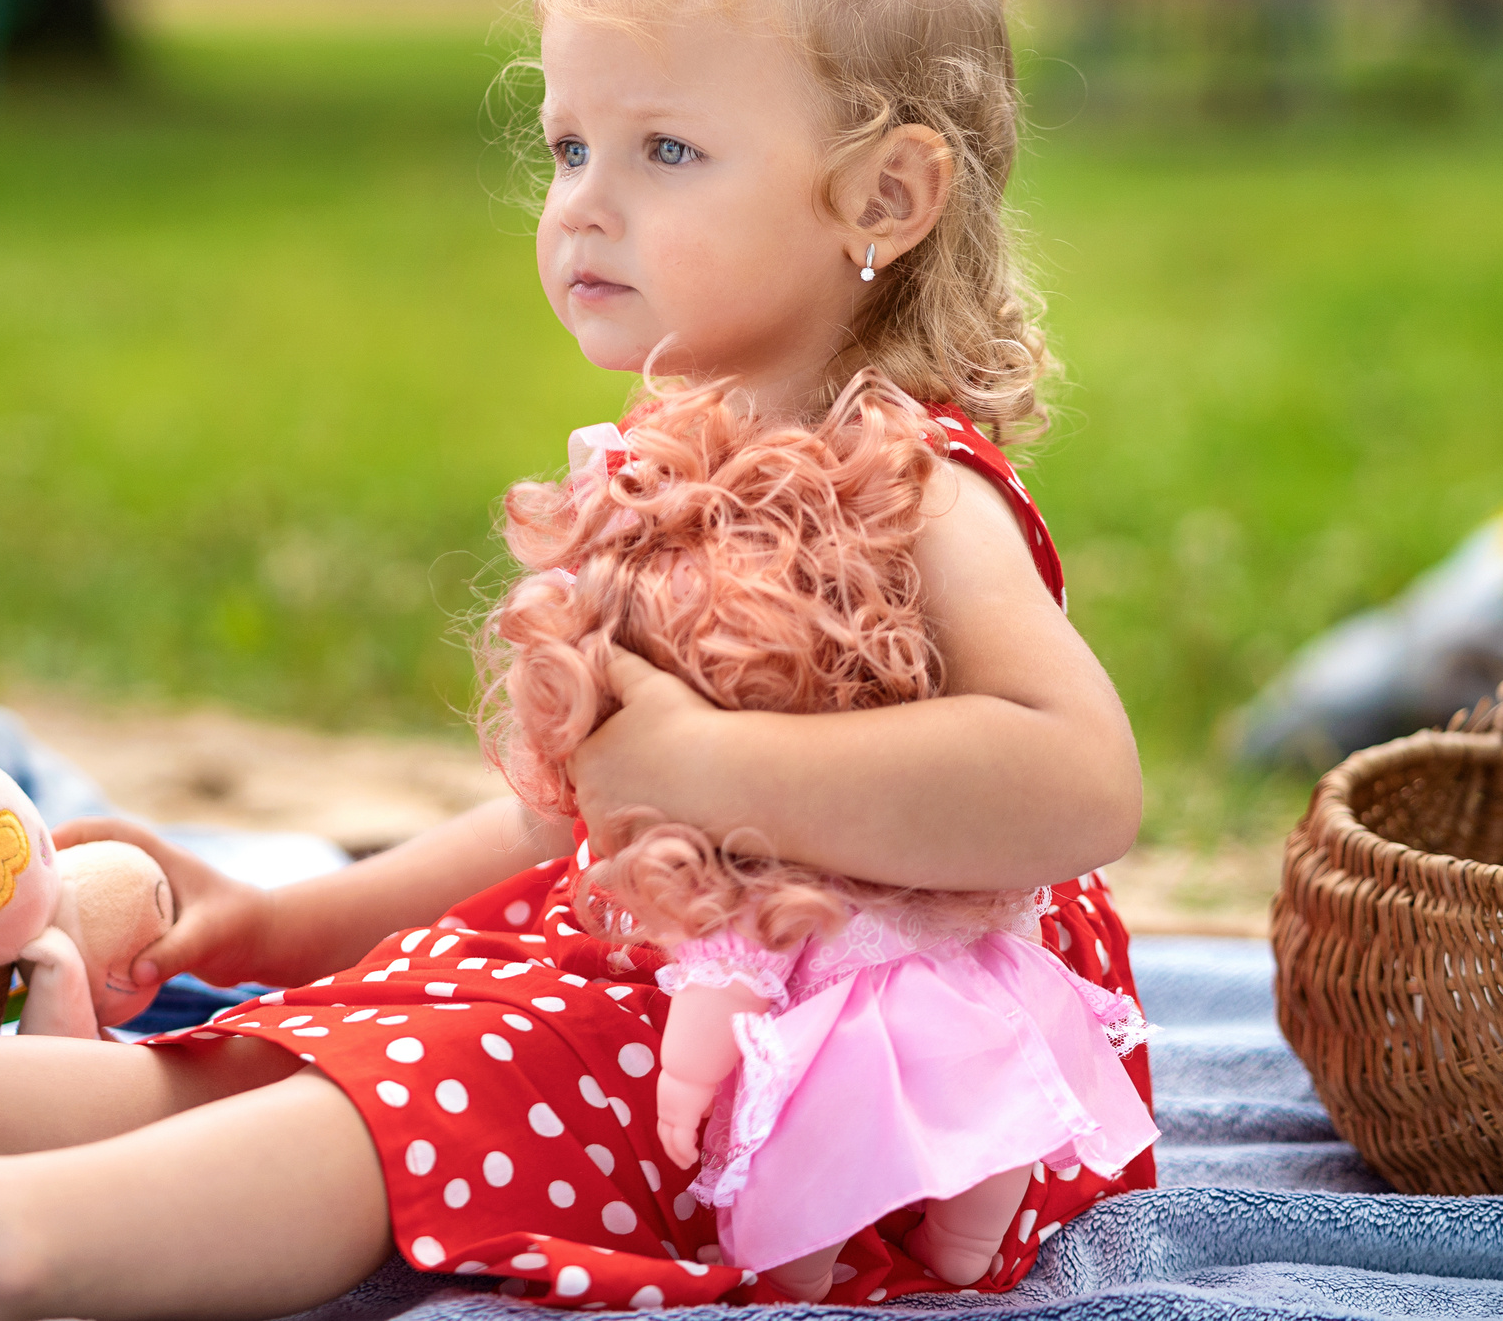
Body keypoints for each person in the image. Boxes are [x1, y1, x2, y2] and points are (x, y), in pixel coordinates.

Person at [0, 0, 1154, 1321]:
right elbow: (568, 814)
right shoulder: (656, 465)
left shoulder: (914, 483)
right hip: (650, 956)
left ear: (881, 197)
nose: (585, 203)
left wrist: (710, 761)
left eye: (666, 148)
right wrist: (289, 919)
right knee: (345, 1030)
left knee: (457, 1082)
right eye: (568, 144)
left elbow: (1078, 780)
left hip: (853, 1038)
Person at [484, 373, 1156, 1300]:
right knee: (1000, 1102)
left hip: (837, 1043)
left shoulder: (753, 871)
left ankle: (800, 1269)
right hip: (965, 1003)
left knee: (805, 1163)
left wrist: (682, 1083)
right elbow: (1017, 911)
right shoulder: (907, 825)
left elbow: (725, 979)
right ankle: (964, 1239)